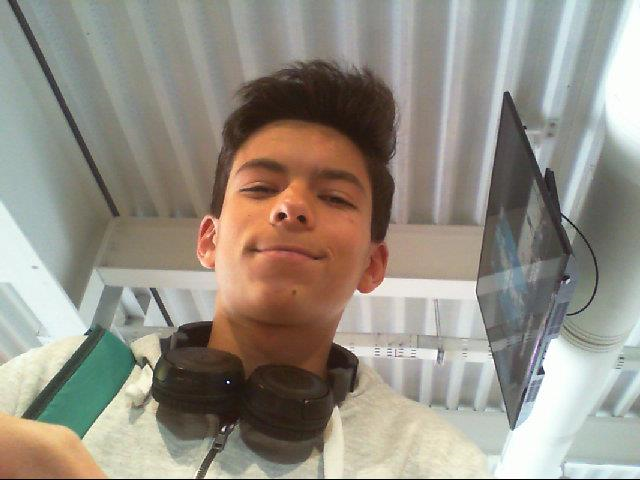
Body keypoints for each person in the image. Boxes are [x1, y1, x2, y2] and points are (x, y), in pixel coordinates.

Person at [0, 60, 490, 478]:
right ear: (209, 240)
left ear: (373, 264)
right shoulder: (61, 379)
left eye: (335, 197)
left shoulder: (431, 461)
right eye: (260, 188)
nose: (291, 207)